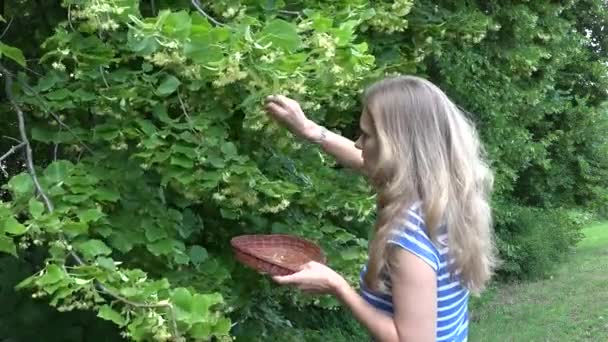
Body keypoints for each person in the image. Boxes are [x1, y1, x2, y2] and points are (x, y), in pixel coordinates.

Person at [264, 75, 497, 342]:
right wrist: (309, 130)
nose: (358, 144)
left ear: (395, 148)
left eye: (367, 135)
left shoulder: (408, 236)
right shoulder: (449, 193)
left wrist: (337, 286)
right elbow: (368, 162)